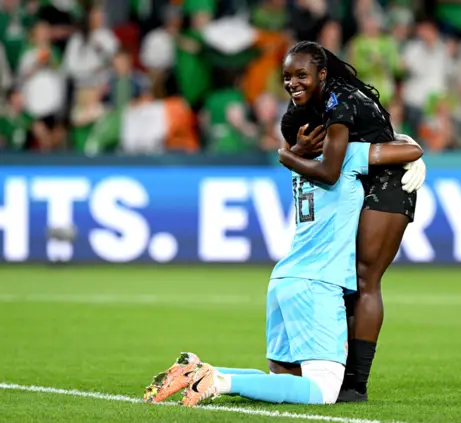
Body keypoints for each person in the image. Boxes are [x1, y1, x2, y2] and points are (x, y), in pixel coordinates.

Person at [144, 137, 423, 406]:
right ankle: (217, 381)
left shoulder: (299, 164)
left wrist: (289, 150)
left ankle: (195, 370)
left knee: (283, 380)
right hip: (317, 283)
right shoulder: (346, 156)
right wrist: (402, 141)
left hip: (285, 278)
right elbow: (411, 151)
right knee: (323, 391)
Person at [279, 41, 426, 402]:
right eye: (287, 76)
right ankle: (333, 371)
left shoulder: (338, 99)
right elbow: (292, 130)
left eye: (301, 75)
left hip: (389, 181)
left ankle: (355, 384)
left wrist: (286, 156)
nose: (293, 83)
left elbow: (328, 169)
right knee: (342, 278)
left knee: (364, 278)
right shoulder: (309, 102)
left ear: (323, 74)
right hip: (359, 176)